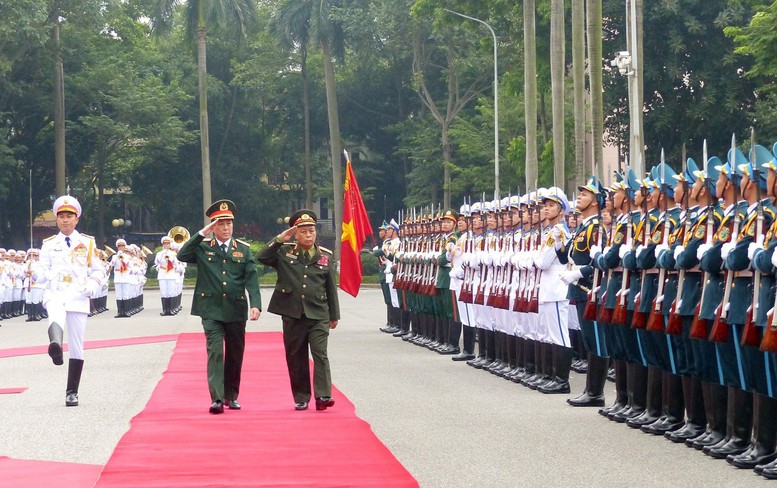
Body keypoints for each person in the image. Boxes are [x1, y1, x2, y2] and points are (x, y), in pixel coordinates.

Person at [177, 199, 262, 414]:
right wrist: (201, 233)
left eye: (229, 224)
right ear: (213, 226)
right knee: (215, 352)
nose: (225, 228)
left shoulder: (243, 249)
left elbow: (252, 279)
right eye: (220, 224)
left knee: (235, 354)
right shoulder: (203, 247)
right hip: (211, 310)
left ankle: (231, 396)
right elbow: (182, 255)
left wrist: (256, 305)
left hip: (235, 309)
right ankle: (216, 398)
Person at [257, 209, 340, 411]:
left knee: (320, 354)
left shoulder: (325, 257)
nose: (308, 235)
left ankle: (323, 395)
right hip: (293, 313)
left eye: (311, 231)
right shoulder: (285, 252)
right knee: (296, 356)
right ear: (295, 233)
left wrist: (334, 315)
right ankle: (301, 396)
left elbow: (331, 288)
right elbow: (261, 257)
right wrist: (279, 239)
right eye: (303, 231)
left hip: (318, 313)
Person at [31, 195, 107, 406]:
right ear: (57, 219)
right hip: (56, 290)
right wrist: (38, 273)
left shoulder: (87, 242)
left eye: (69, 216)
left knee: (77, 344)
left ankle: (72, 392)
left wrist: (92, 285)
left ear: (77, 219)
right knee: (54, 313)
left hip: (78, 293)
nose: (65, 220)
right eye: (61, 216)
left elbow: (99, 270)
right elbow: (41, 267)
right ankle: (55, 344)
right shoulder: (49, 244)